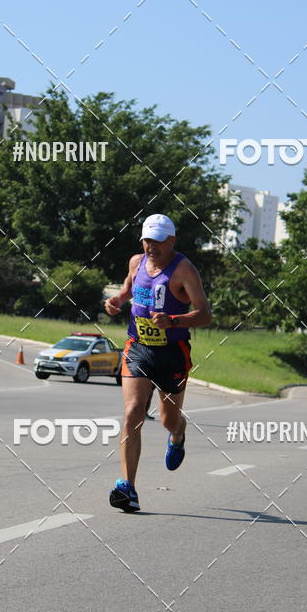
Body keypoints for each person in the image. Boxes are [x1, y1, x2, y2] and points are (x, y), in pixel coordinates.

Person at [104, 214, 212, 511]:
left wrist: (173, 319)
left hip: (172, 351)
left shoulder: (184, 270)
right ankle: (128, 488)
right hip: (137, 347)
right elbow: (127, 290)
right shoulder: (136, 262)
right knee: (132, 413)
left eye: (159, 241)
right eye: (147, 240)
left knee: (168, 419)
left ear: (172, 241)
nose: (152, 246)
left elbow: (205, 313)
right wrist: (115, 301)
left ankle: (178, 435)